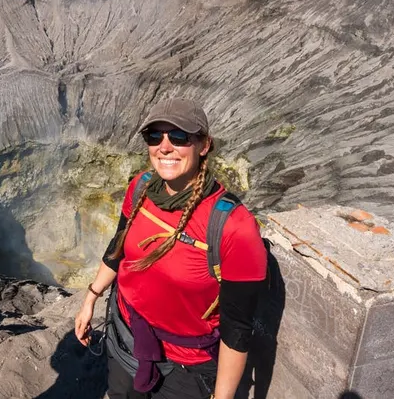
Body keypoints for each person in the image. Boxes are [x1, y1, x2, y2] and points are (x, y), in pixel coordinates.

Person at [74, 98, 267, 399]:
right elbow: (118, 248)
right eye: (155, 136)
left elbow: (237, 328)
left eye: (179, 137)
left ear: (204, 145)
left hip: (186, 369)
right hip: (126, 339)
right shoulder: (140, 188)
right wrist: (91, 297)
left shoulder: (234, 227)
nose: (164, 147)